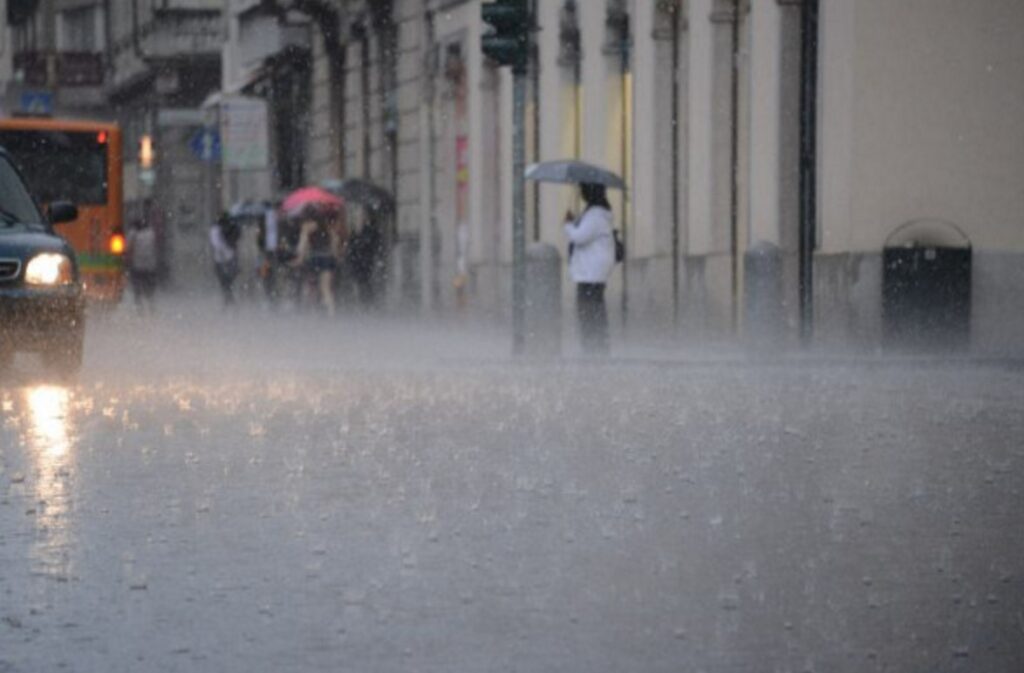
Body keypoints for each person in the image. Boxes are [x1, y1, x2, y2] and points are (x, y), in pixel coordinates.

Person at [564, 182, 615, 354]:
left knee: (588, 310)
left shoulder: (595, 215)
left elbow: (580, 237)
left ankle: (593, 345)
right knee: (594, 309)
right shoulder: (598, 214)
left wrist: (568, 225)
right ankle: (596, 344)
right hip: (593, 272)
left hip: (590, 273)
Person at [292, 210, 347, 316]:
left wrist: (300, 258)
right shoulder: (328, 227)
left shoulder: (308, 227)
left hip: (313, 258)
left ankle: (312, 310)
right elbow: (334, 242)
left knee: (311, 286)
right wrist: (336, 256)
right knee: (326, 288)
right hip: (327, 258)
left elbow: (303, 245)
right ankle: (331, 312)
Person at [125, 218, 159, 314]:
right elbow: (156, 247)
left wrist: (127, 262)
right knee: (149, 288)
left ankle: (139, 308)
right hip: (150, 266)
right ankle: (151, 306)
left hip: (138, 266)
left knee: (137, 288)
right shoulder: (151, 234)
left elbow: (128, 249)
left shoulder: (133, 234)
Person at [210, 213, 240, 307]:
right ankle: (229, 300)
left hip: (221, 259)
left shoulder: (215, 229)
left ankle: (228, 300)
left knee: (225, 282)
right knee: (227, 282)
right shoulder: (232, 227)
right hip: (230, 257)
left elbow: (216, 244)